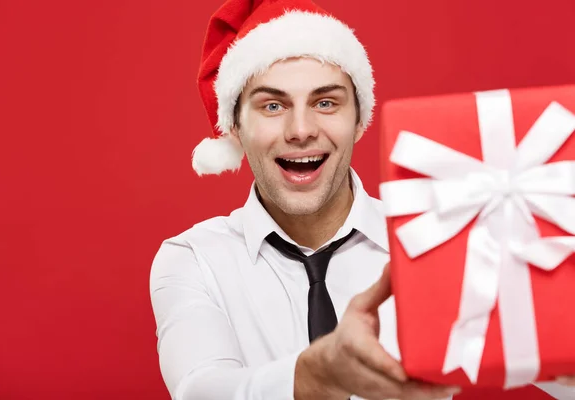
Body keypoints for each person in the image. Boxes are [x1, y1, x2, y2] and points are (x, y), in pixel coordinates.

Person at [149, 0, 575, 399]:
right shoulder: (193, 258)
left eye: (326, 101)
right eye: (273, 105)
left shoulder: (449, 236)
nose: (301, 129)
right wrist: (314, 376)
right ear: (236, 129)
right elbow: (201, 388)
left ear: (359, 121)